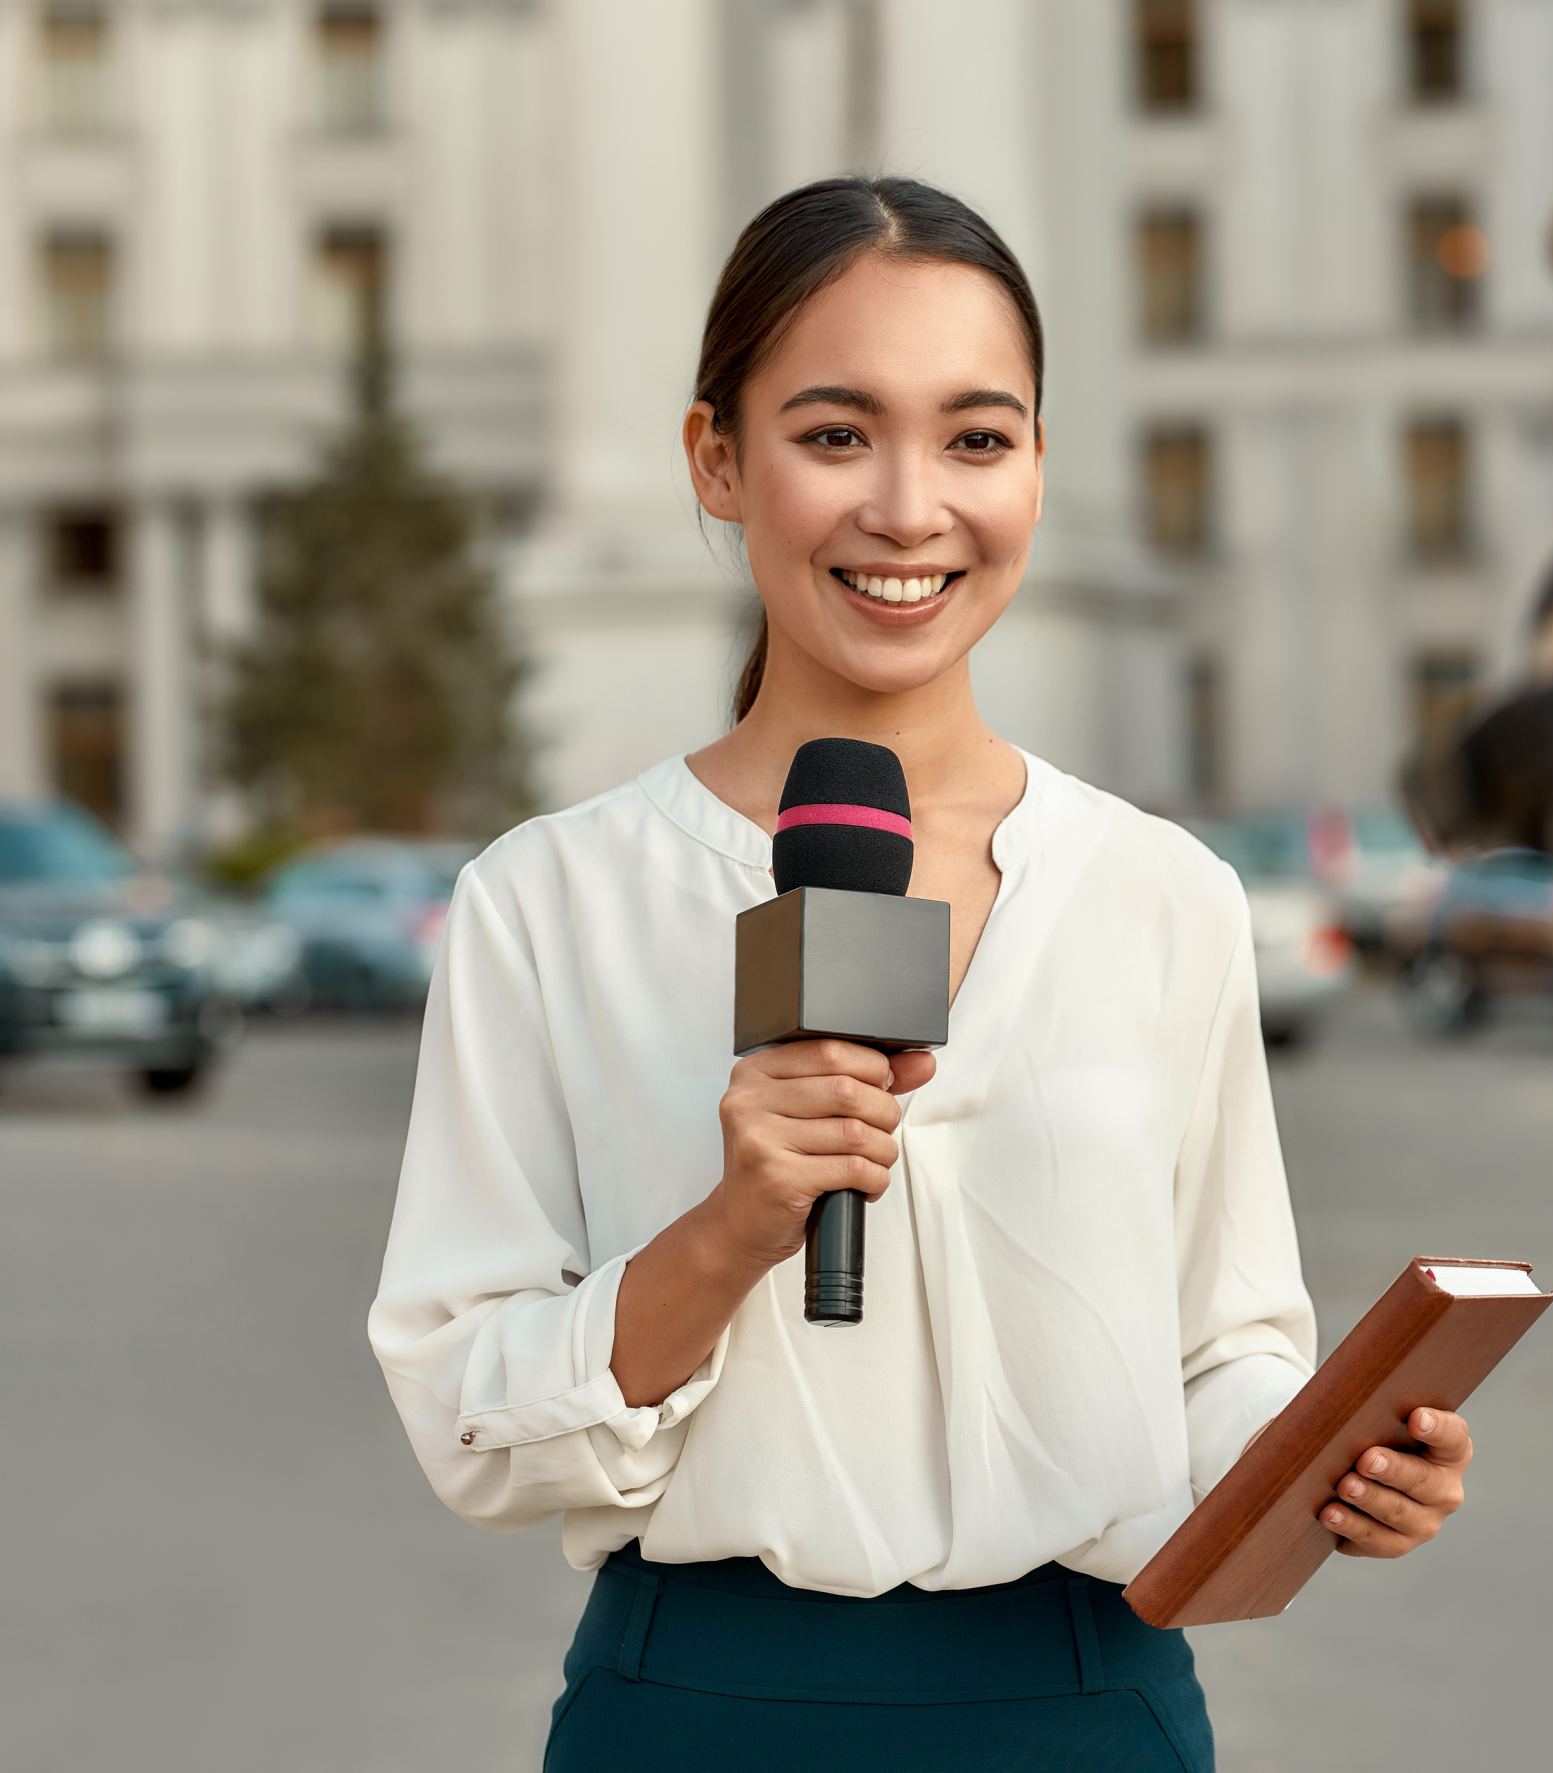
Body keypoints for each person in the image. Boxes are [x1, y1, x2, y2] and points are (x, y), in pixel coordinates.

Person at [364, 176, 1478, 1770]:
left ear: (1037, 465)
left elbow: (1227, 1349)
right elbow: (466, 1403)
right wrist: (730, 1227)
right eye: (834, 435)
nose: (909, 507)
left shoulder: (1163, 895)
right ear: (718, 463)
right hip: (698, 1707)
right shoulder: (547, 901)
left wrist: (1338, 1459)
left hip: (1091, 1701)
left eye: (976, 437)